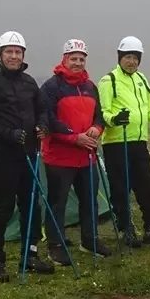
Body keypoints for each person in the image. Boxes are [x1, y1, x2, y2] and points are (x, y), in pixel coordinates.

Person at [0, 31, 54, 280]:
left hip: (28, 153)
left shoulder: (29, 82)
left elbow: (42, 109)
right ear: (0, 54)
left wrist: (42, 125)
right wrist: (7, 133)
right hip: (1, 155)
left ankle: (30, 255)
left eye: (18, 52)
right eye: (9, 52)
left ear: (23, 55)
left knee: (31, 206)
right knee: (1, 209)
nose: (14, 56)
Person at [39, 38, 111, 264]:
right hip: (60, 157)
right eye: (73, 58)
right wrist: (74, 137)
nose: (78, 63)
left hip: (86, 156)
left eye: (81, 59)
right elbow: (48, 119)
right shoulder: (52, 87)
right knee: (57, 202)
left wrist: (96, 129)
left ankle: (89, 240)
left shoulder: (90, 87)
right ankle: (56, 246)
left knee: (90, 200)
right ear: (64, 59)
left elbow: (99, 116)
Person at [98, 36, 150, 247]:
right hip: (116, 143)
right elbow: (102, 112)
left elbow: (149, 109)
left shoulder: (141, 79)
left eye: (135, 58)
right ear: (120, 57)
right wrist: (114, 119)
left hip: (139, 142)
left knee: (147, 186)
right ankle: (125, 229)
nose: (132, 62)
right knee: (121, 189)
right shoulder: (108, 81)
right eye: (127, 57)